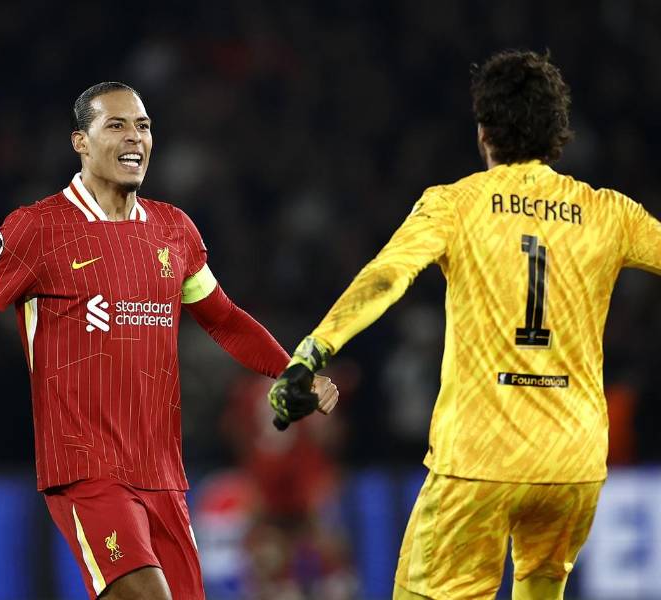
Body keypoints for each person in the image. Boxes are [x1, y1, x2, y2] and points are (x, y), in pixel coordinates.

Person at [0, 82, 339, 600]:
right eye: (115, 125)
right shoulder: (37, 229)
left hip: (162, 474)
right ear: (81, 142)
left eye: (143, 125)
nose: (134, 136)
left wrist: (293, 372)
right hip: (86, 471)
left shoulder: (173, 230)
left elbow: (224, 319)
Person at [268, 49, 661, 600]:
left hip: (480, 461)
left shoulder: (457, 204)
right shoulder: (610, 213)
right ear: (558, 134)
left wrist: (312, 351)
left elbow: (386, 277)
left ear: (484, 134)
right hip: (573, 463)